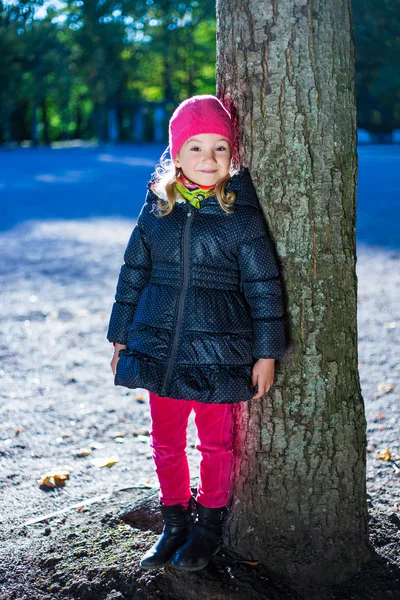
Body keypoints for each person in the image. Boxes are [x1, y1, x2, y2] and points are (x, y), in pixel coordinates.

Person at [107, 95, 286, 572]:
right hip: (159, 349)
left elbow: (265, 288)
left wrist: (266, 353)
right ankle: (174, 524)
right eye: (195, 148)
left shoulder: (240, 217)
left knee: (215, 444)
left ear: (234, 155)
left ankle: (207, 527)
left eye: (220, 148)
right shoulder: (156, 210)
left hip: (218, 352)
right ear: (175, 154)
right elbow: (133, 273)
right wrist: (120, 336)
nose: (209, 160)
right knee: (164, 441)